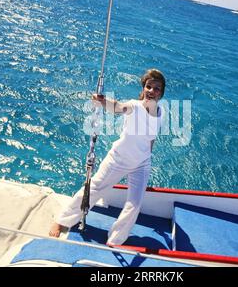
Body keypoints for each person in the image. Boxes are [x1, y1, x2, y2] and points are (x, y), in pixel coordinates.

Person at [49, 69, 166, 246]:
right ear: (143, 88)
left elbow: (152, 137)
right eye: (149, 86)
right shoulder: (134, 106)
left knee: (134, 204)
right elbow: (118, 106)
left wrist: (148, 155)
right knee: (95, 188)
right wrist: (103, 101)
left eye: (156, 88)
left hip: (142, 163)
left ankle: (115, 239)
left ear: (161, 92)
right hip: (119, 159)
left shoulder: (160, 112)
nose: (151, 91)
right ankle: (62, 220)